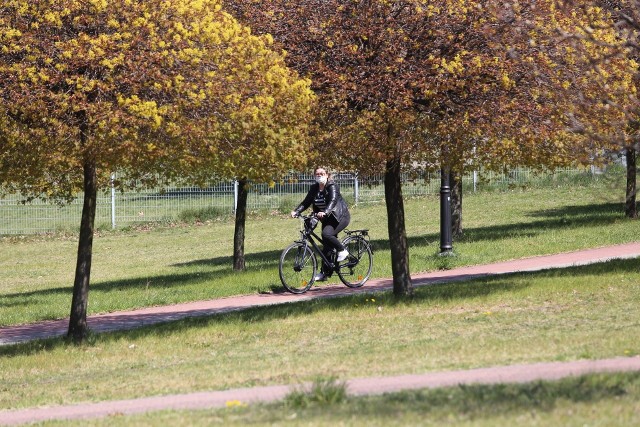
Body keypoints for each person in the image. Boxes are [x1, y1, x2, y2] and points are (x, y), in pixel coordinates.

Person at [291, 167, 351, 281]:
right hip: (326, 218)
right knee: (326, 245)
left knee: (326, 235)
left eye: (322, 173)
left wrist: (325, 212)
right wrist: (297, 211)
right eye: (317, 174)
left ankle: (342, 250)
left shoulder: (332, 186)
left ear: (327, 175)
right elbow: (306, 202)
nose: (319, 175)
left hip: (340, 217)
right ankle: (324, 273)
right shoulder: (314, 188)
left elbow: (333, 201)